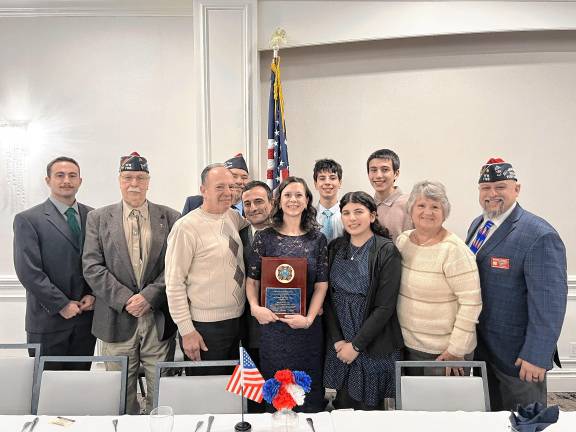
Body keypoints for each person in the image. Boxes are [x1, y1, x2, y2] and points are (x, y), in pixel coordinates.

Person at [466, 158, 567, 411]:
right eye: (485, 188)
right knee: (490, 418)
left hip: (519, 358)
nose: (492, 194)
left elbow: (549, 304)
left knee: (524, 422)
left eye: (500, 187)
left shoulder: (539, 235)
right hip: (483, 350)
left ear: (517, 189)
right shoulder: (478, 225)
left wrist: (536, 355)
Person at [83, 152, 179, 414]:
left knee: (161, 392)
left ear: (148, 181)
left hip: (157, 317)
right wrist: (126, 299)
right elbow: (91, 266)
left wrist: (149, 296)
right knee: (120, 395)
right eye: (128, 177)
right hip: (116, 318)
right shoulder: (98, 218)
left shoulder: (171, 217)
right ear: (119, 180)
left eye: (140, 177)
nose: (133, 183)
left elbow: (175, 267)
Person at [246, 177, 328, 412]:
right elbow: (251, 281)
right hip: (273, 329)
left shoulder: (317, 239)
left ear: (307, 201)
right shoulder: (264, 237)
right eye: (287, 195)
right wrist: (255, 308)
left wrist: (309, 320)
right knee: (277, 394)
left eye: (298, 195)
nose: (293, 200)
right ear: (278, 202)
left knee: (307, 395)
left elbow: (322, 285)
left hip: (306, 329)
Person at [13, 156, 96, 370]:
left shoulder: (94, 216)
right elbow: (29, 272)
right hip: (47, 321)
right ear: (48, 180)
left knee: (79, 390)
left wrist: (93, 295)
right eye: (60, 175)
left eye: (72, 175)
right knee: (47, 394)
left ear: (80, 180)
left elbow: (99, 263)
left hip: (85, 321)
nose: (66, 180)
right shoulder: (28, 219)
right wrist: (61, 304)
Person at [323, 191, 404, 410]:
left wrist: (356, 345)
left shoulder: (386, 250)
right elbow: (328, 299)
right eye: (346, 213)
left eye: (358, 211)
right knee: (341, 409)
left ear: (372, 215)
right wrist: (338, 340)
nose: (352, 218)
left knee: (369, 414)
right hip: (339, 342)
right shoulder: (335, 248)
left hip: (372, 343)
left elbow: (385, 307)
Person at [166, 164, 249, 369]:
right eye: (220, 187)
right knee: (208, 393)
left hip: (238, 322)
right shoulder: (186, 227)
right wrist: (186, 331)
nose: (228, 192)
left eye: (231, 187)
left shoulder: (232, 217)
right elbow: (174, 284)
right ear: (203, 190)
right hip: (205, 328)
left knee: (234, 393)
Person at [396, 180, 482, 376]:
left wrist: (456, 349)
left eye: (435, 206)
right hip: (407, 346)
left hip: (444, 353)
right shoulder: (403, 242)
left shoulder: (455, 251)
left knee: (443, 407)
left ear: (444, 213)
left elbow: (471, 303)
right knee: (411, 405)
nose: (428, 212)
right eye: (421, 205)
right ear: (411, 209)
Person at [239, 180, 273, 413]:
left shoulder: (286, 234)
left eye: (259, 201)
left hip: (280, 321)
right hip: (245, 323)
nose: (253, 207)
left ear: (272, 203)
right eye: (247, 203)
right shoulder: (236, 235)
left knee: (277, 387)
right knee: (252, 392)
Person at [181, 153, 250, 216]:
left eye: (244, 177)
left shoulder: (252, 207)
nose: (239, 181)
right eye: (234, 176)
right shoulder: (194, 204)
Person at [367, 149, 412, 242]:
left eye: (385, 170)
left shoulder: (411, 204)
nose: (378, 175)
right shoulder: (366, 206)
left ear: (396, 174)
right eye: (373, 170)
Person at [313, 159, 344, 242]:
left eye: (332, 178)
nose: (327, 182)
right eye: (322, 178)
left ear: (340, 183)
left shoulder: (347, 215)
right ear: (315, 184)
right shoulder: (308, 216)